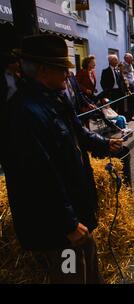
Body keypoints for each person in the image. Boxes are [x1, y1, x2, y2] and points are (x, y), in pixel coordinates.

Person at [1, 35, 123, 284]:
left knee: (90, 271)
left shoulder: (52, 98)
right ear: (44, 70)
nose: (68, 75)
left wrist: (104, 144)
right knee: (71, 275)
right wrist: (67, 224)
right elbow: (38, 177)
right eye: (63, 69)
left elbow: (78, 132)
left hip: (73, 212)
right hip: (58, 230)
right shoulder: (24, 112)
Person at [120, 53, 134, 121]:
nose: (132, 59)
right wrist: (127, 86)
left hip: (133, 84)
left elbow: (131, 74)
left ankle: (131, 116)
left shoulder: (131, 65)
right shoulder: (123, 65)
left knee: (132, 102)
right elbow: (123, 76)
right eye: (131, 58)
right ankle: (127, 117)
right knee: (127, 103)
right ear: (126, 58)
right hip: (127, 86)